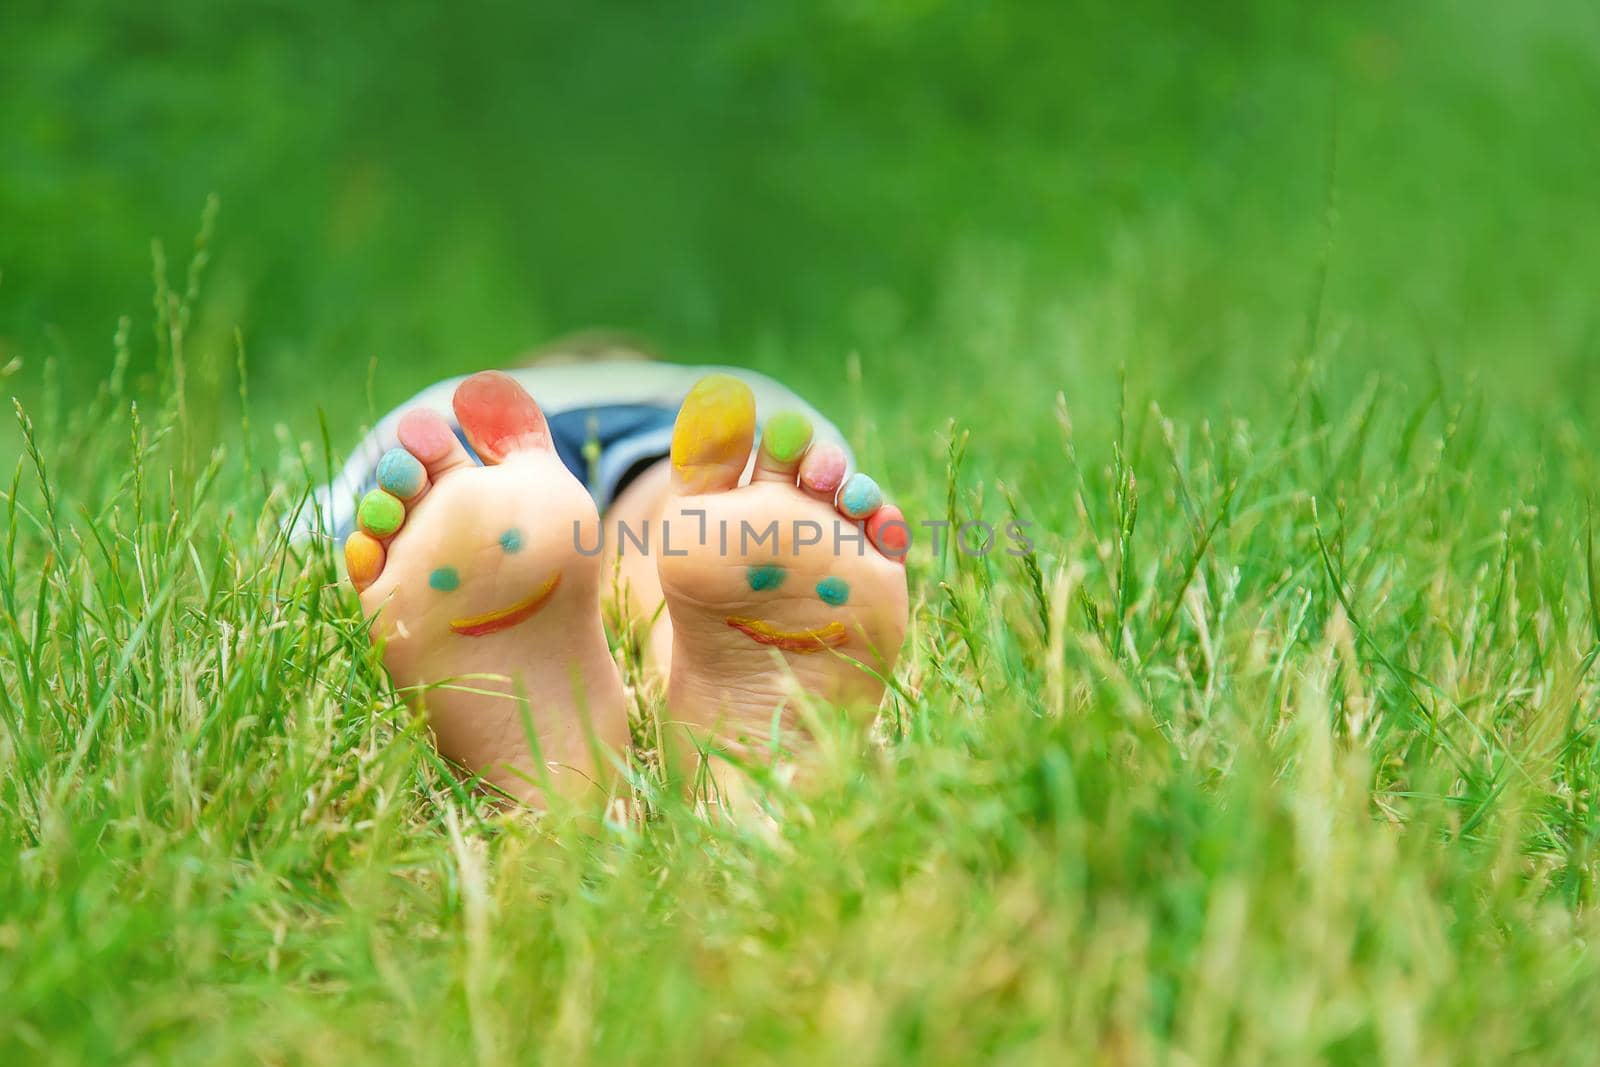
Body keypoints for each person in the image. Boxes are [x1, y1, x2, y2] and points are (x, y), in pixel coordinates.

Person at [308, 337, 910, 807]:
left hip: (455, 435)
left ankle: (556, 791)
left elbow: (304, 538)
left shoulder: (451, 400)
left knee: (474, 530)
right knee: (672, 522)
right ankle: (732, 760)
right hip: (689, 417)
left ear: (537, 362)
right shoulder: (679, 379)